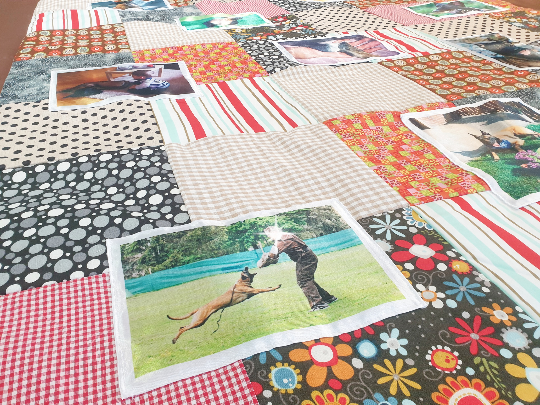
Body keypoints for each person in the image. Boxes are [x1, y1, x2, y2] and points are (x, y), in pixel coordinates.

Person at [257, 226, 337, 312]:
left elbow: (273, 255)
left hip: (305, 259)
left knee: (304, 281)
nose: (269, 237)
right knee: (308, 280)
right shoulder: (286, 235)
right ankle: (328, 298)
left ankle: (318, 304)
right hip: (307, 257)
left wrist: (263, 261)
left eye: (268, 235)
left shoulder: (281, 240)